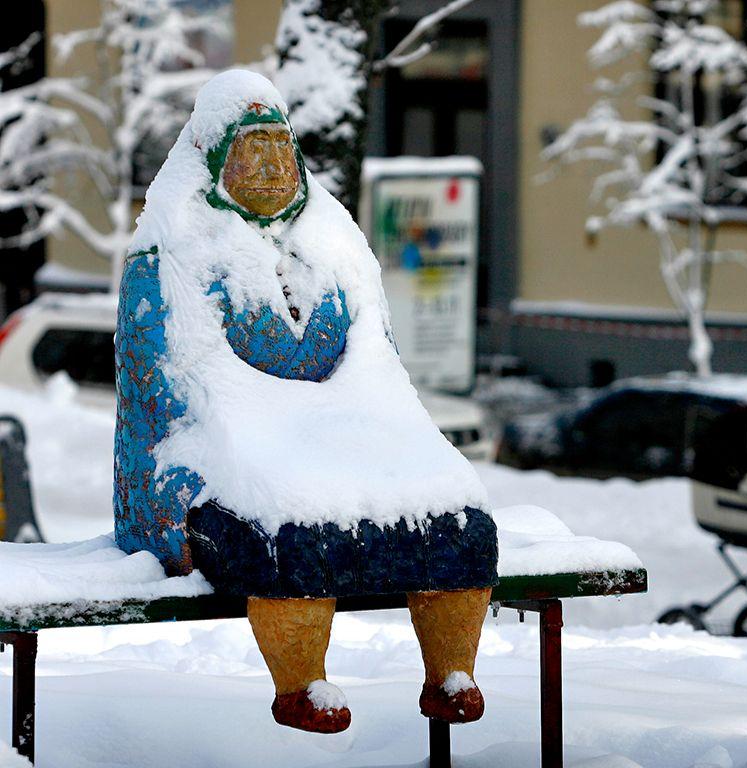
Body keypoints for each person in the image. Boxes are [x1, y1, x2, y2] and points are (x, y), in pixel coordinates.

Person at [113, 71, 497, 733]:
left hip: (337, 449)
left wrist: (394, 446)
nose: (267, 165)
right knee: (284, 530)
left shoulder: (334, 244)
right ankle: (300, 686)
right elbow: (179, 390)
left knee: (457, 519)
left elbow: (376, 364)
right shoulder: (170, 253)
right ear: (212, 156)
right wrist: (272, 457)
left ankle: (450, 672)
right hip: (205, 462)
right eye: (249, 148)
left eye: (278, 146)